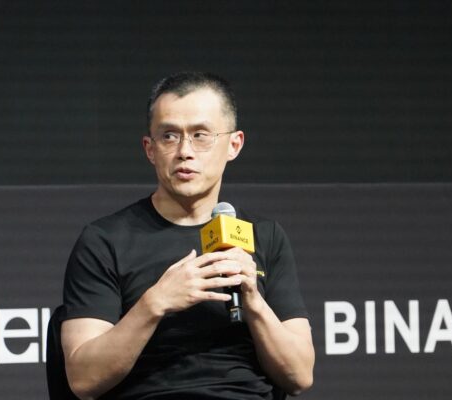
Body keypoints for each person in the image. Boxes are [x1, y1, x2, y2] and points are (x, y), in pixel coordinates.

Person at [60, 72, 314, 400]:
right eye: (169, 136)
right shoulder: (104, 241)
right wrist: (155, 303)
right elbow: (83, 379)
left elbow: (299, 376)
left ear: (234, 144)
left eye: (200, 135)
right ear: (150, 149)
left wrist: (253, 300)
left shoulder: (265, 236)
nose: (184, 151)